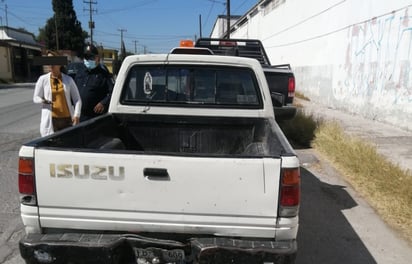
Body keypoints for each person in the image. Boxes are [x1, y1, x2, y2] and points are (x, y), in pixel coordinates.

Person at [33, 50, 82, 137]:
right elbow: (35, 97)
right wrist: (42, 100)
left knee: (68, 146)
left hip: (67, 120)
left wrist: (76, 115)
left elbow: (77, 99)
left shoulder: (68, 80)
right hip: (51, 120)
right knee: (51, 146)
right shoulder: (42, 79)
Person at [74, 44, 114, 121]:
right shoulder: (80, 73)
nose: (88, 60)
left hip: (95, 117)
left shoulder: (103, 74)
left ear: (97, 58)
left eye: (91, 57)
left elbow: (112, 92)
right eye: (86, 57)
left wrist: (103, 103)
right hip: (80, 116)